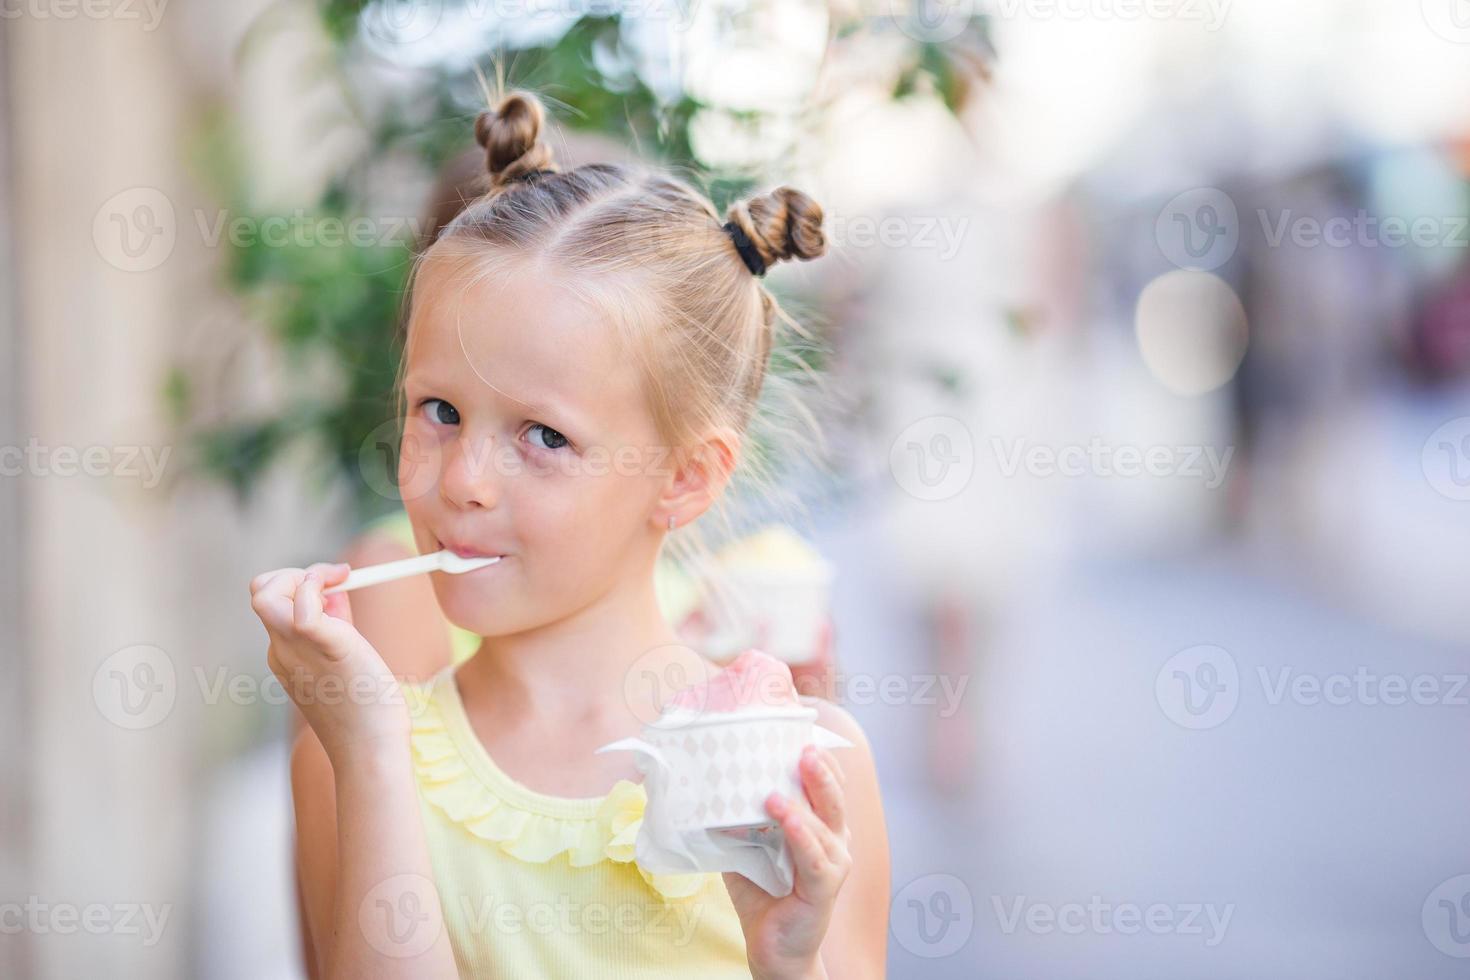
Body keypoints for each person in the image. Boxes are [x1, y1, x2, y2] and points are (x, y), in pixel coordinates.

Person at [249, 90, 890, 979]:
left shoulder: (806, 765)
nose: (464, 481)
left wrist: (792, 965)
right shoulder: (356, 752)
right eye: (439, 411)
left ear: (685, 477)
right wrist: (369, 758)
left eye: (543, 437)